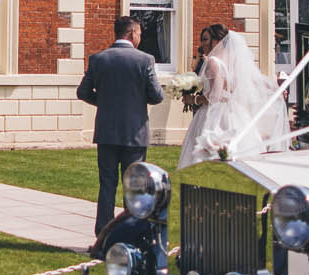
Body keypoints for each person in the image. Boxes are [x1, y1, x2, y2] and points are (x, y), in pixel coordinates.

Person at [77, 14, 164, 244]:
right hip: (134, 133)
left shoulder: (98, 59)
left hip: (106, 132)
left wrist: (104, 103)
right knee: (133, 185)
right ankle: (129, 235)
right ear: (132, 33)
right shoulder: (145, 60)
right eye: (139, 34)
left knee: (107, 184)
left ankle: (103, 236)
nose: (140, 38)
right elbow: (157, 96)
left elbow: (83, 93)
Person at [178, 24, 278, 167]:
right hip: (234, 112)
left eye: (205, 40)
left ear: (217, 41)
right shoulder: (233, 62)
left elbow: (214, 98)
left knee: (207, 151)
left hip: (215, 115)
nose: (202, 44)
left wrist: (192, 99)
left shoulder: (213, 62)